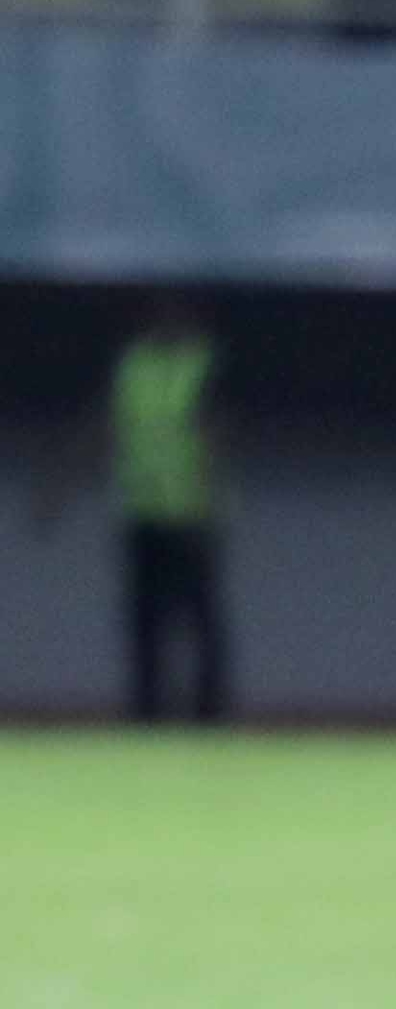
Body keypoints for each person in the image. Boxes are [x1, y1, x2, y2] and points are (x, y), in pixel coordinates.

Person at [33, 295, 231, 723]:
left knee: (198, 621)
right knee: (144, 622)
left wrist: (213, 503)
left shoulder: (202, 364)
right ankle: (148, 714)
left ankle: (209, 716)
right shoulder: (133, 366)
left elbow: (215, 435)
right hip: (141, 510)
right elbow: (102, 429)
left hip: (189, 511)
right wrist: (58, 488)